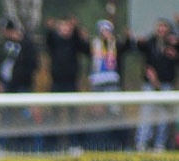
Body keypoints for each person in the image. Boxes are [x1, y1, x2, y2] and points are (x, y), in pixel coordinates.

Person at [43, 16, 90, 149]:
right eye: (62, 27)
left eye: (67, 27)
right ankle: (54, 144)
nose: (65, 30)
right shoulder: (55, 41)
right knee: (55, 114)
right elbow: (48, 41)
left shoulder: (74, 42)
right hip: (57, 82)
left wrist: (77, 30)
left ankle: (74, 143)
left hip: (71, 83)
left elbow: (86, 49)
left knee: (72, 114)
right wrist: (50, 29)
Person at [133, 18, 179, 151]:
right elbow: (137, 45)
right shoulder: (150, 42)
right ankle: (142, 143)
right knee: (146, 114)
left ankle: (160, 144)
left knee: (164, 117)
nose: (162, 29)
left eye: (165, 27)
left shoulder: (173, 44)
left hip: (166, 85)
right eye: (160, 26)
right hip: (149, 85)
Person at [0, 19, 40, 151]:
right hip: (7, 86)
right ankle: (3, 145)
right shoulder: (4, 44)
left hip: (23, 86)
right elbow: (0, 63)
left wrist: (23, 78)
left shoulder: (27, 44)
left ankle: (32, 145)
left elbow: (33, 64)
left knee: (26, 115)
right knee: (5, 116)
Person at [86, 19, 132, 150]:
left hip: (113, 82)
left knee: (114, 111)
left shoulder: (116, 44)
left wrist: (128, 37)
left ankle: (119, 143)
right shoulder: (93, 44)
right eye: (103, 30)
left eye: (107, 30)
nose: (105, 33)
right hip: (97, 82)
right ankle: (97, 143)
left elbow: (127, 48)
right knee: (97, 112)